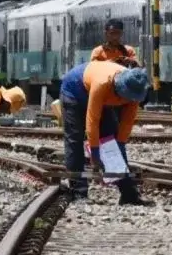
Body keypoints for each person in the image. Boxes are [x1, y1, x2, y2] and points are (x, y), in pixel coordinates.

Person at [59, 60, 150, 206]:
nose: (126, 101)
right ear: (119, 88)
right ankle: (78, 192)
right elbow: (92, 120)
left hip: (103, 97)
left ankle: (128, 194)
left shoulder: (135, 91)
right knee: (74, 141)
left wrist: (119, 144)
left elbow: (127, 122)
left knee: (111, 142)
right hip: (74, 92)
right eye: (125, 97)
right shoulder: (102, 84)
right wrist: (95, 152)